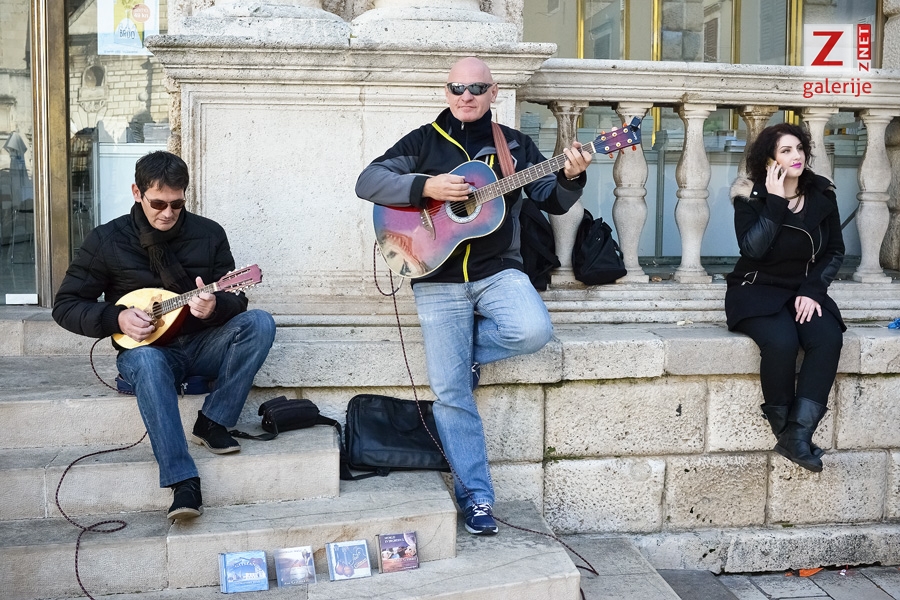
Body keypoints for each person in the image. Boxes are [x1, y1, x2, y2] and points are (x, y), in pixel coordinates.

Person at [355, 56, 592, 535]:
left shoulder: (514, 145)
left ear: (493, 92)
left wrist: (571, 176)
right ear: (447, 92)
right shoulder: (423, 141)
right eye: (458, 88)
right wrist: (427, 186)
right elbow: (368, 182)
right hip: (437, 278)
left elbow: (550, 197)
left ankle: (463, 355)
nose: (467, 96)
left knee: (533, 330)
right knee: (451, 394)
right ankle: (477, 498)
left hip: (497, 271)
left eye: (477, 88)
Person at [52, 150, 276, 519]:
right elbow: (66, 306)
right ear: (137, 193)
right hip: (147, 352)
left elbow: (237, 300)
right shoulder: (107, 240)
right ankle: (182, 481)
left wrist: (215, 307)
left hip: (202, 344)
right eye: (158, 203)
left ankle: (213, 420)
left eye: (177, 204)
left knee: (260, 323)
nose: (168, 213)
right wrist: (116, 318)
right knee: (147, 360)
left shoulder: (209, 234)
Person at [725, 122, 845, 473]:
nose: (796, 156)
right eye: (786, 150)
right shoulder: (750, 196)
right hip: (755, 289)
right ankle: (788, 434)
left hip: (803, 290)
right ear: (769, 160)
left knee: (827, 338)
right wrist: (775, 201)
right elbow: (753, 249)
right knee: (782, 342)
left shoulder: (822, 194)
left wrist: (813, 291)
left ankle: (798, 435)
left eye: (800, 148)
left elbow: (834, 251)